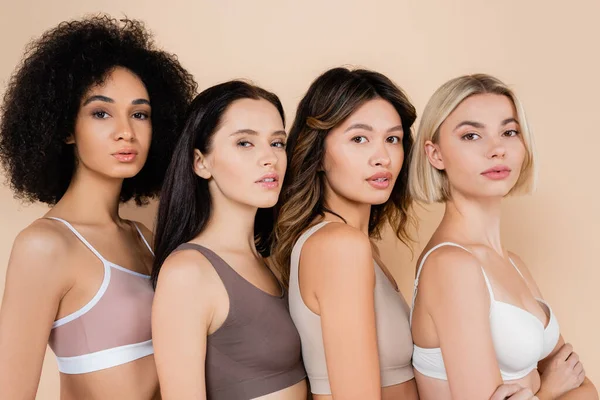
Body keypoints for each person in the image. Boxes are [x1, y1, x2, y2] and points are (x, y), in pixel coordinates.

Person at [0, 15, 196, 399]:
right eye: (101, 113)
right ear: (65, 128)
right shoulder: (44, 246)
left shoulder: (147, 239)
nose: (126, 131)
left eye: (139, 114)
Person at [408, 73, 598, 400]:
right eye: (471, 136)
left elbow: (586, 388)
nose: (497, 149)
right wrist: (549, 388)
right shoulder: (451, 266)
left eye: (509, 132)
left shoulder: (513, 263)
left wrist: (535, 393)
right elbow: (564, 382)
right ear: (435, 154)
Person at [151, 80, 307, 400]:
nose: (269, 158)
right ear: (201, 162)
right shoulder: (188, 273)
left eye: (277, 143)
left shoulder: (273, 261)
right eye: (245, 143)